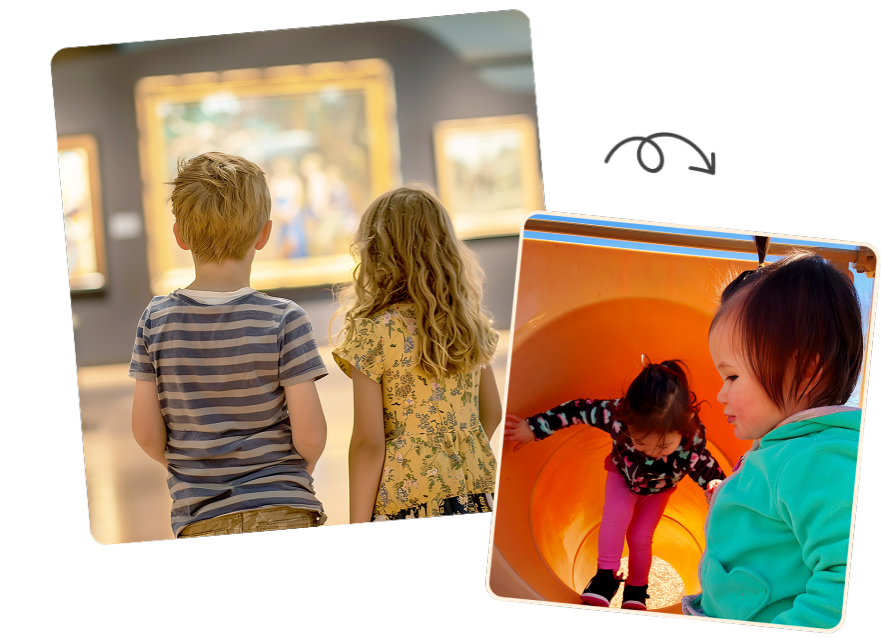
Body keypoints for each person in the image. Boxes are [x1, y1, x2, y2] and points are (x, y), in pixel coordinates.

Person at [128, 151, 329, 538]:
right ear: (265, 233)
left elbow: (148, 434)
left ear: (180, 236)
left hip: (200, 514)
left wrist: (191, 470)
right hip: (283, 503)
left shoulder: (157, 319)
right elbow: (310, 435)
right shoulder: (285, 318)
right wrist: (294, 473)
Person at [682, 251, 865, 629]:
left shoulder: (815, 458)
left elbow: (842, 577)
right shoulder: (786, 444)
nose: (720, 394)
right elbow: (778, 513)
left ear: (805, 371)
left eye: (732, 377)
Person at [330, 185, 502, 524]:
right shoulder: (468, 325)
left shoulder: (375, 330)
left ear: (375, 252)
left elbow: (369, 442)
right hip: (475, 498)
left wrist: (357, 526)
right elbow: (492, 412)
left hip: (405, 504)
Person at [505, 357, 726, 611]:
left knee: (640, 536)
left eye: (663, 446)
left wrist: (718, 492)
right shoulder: (616, 415)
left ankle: (637, 588)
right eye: (640, 442)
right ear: (628, 418)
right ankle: (605, 578)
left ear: (684, 424)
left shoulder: (691, 441)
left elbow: (710, 474)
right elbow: (577, 410)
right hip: (622, 476)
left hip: (658, 491)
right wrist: (534, 428)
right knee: (615, 518)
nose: (652, 452)